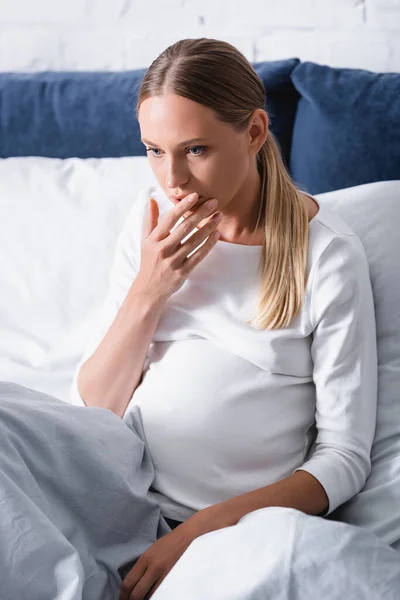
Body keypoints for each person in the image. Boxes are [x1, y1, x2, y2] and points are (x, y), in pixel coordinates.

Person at [70, 38, 378, 599]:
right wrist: (150, 290)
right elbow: (97, 406)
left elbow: (345, 457)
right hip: (120, 493)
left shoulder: (327, 255)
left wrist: (199, 531)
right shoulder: (151, 224)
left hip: (228, 529)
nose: (173, 181)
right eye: (154, 151)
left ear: (255, 132)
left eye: (195, 150)